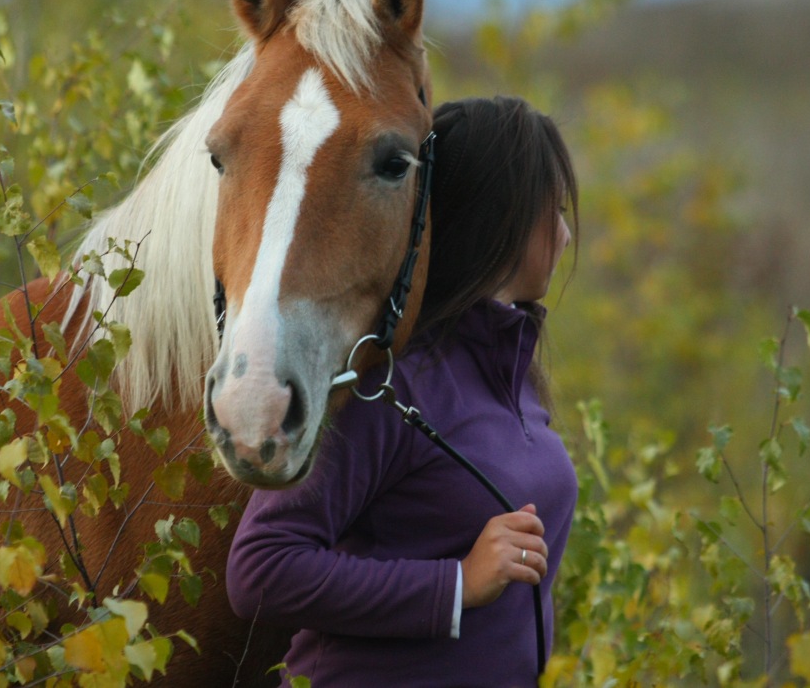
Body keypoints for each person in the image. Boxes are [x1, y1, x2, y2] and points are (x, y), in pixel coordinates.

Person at [226, 95, 580, 687]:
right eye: (556, 211)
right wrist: (456, 584)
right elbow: (260, 568)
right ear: (506, 219)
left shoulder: (513, 378)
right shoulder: (390, 383)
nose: (566, 236)